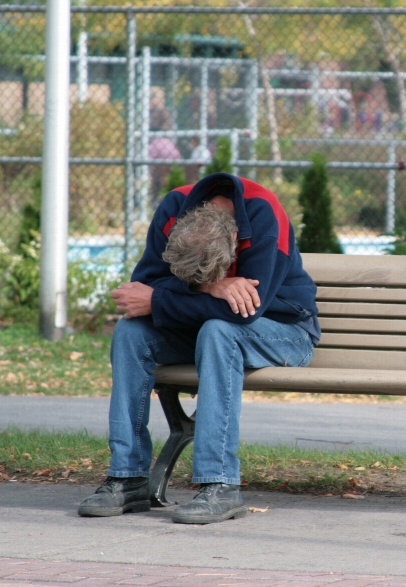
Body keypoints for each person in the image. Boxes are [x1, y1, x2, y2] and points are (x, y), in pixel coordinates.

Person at [78, 172, 321, 524]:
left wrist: (165, 298)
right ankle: (127, 477)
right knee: (130, 332)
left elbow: (245, 309)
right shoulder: (174, 207)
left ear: (235, 239)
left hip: (284, 330)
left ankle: (220, 485)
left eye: (206, 278)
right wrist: (210, 288)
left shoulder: (265, 212)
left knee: (220, 330)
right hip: (206, 326)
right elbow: (144, 284)